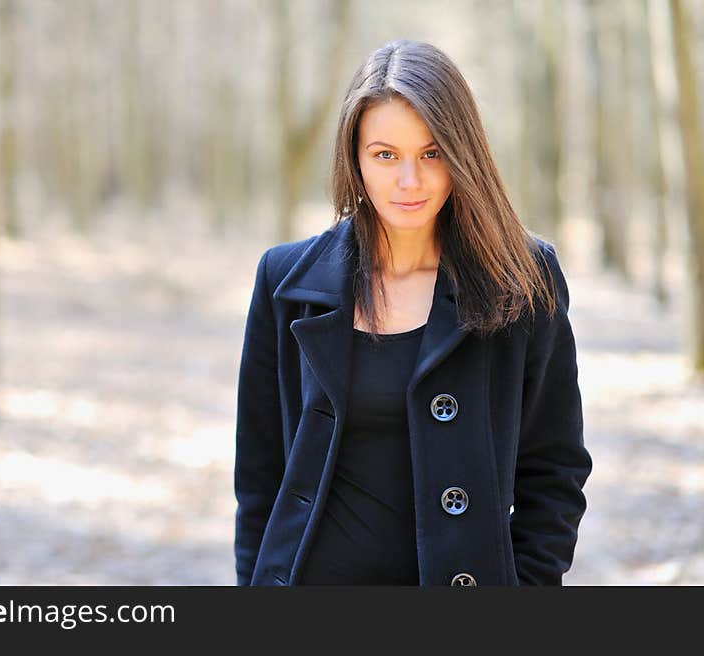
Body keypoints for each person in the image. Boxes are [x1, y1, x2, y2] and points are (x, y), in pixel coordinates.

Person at [234, 39, 592, 586]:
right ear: (353, 157)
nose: (409, 181)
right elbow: (259, 482)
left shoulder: (522, 280)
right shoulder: (285, 282)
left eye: (432, 153)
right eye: (385, 155)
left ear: (463, 152)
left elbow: (554, 472)